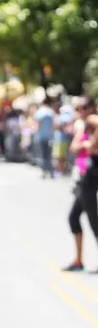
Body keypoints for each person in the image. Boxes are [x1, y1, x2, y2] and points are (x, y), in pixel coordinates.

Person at [64, 100, 98, 272]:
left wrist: (92, 144)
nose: (81, 111)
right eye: (78, 109)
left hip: (92, 173)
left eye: (84, 108)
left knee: (92, 217)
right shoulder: (83, 125)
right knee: (74, 217)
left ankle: (80, 260)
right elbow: (74, 147)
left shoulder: (93, 120)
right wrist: (86, 144)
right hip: (83, 174)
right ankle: (78, 260)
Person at [34, 97, 55, 178]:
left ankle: (44, 171)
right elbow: (53, 125)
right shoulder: (51, 112)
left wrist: (35, 133)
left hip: (41, 136)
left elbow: (37, 125)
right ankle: (50, 171)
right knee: (49, 154)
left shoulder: (39, 112)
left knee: (42, 154)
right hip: (49, 136)